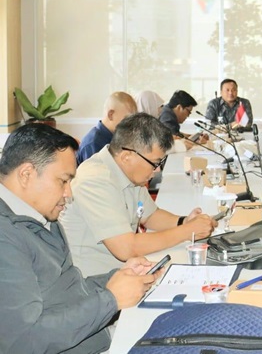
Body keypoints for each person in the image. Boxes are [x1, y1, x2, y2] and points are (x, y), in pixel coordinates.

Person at [0, 124, 157, 354]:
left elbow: (70, 290)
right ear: (26, 174)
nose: (69, 194)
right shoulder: (6, 238)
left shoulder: (42, 216)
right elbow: (22, 342)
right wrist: (111, 299)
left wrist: (116, 278)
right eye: (63, 181)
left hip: (99, 337)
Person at [61, 113, 217, 276]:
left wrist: (184, 222)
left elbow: (150, 216)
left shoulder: (129, 170)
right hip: (94, 282)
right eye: (155, 163)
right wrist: (187, 231)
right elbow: (126, 248)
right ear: (127, 156)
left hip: (125, 270)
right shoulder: (94, 181)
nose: (157, 170)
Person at [76, 91, 137, 166]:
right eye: (127, 119)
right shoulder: (94, 143)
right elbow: (97, 176)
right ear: (111, 115)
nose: (131, 125)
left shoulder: (116, 136)